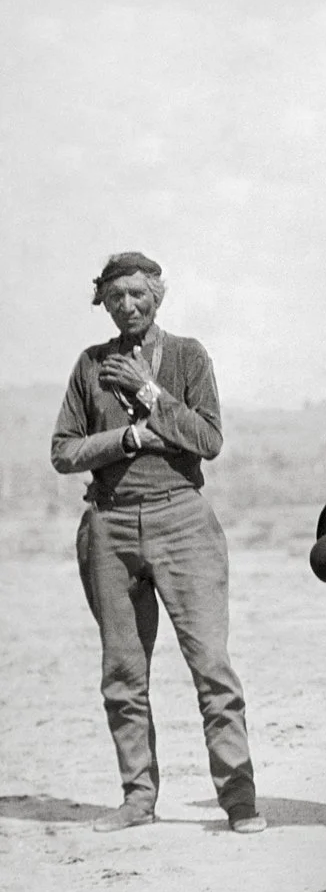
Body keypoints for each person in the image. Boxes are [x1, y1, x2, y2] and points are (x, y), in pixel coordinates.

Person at [51, 252, 263, 834]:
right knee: (122, 674)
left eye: (139, 294)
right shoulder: (90, 365)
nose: (128, 306)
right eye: (116, 297)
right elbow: (64, 451)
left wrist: (149, 394)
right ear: (105, 303)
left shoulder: (190, 357)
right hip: (110, 525)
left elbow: (209, 439)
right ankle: (137, 798)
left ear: (158, 296)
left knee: (212, 668)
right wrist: (124, 438)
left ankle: (240, 801)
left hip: (182, 521)